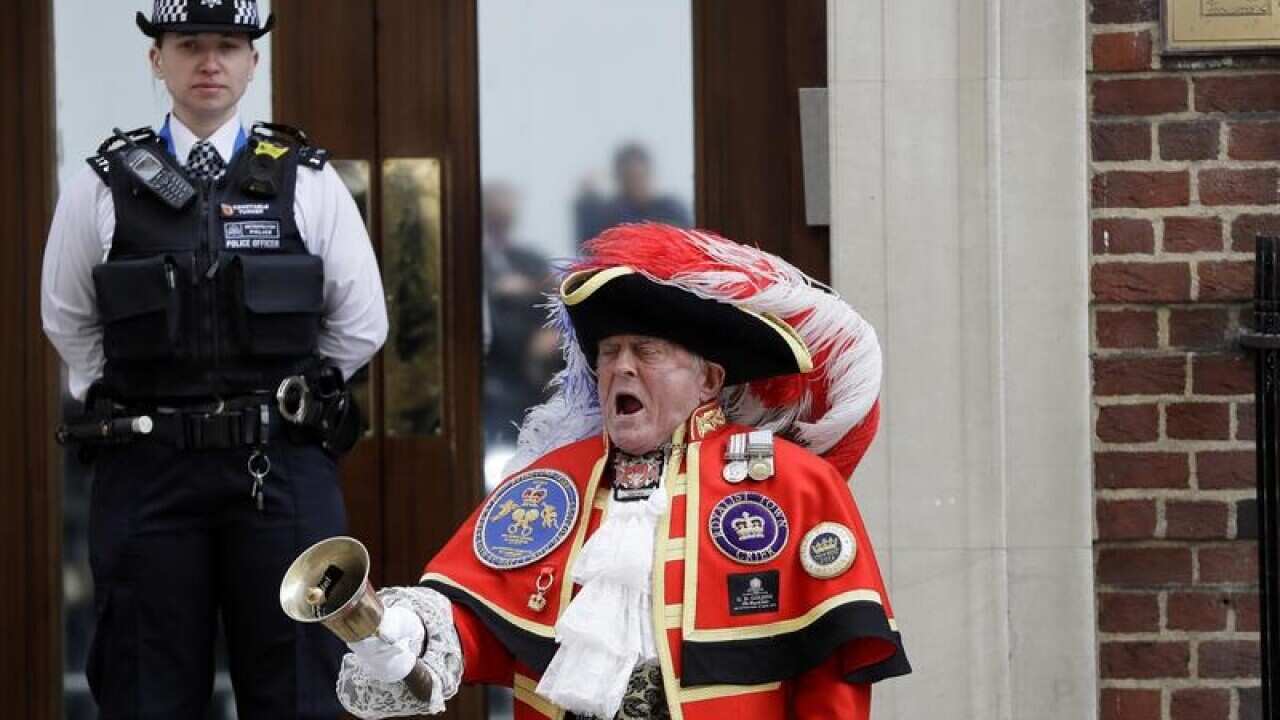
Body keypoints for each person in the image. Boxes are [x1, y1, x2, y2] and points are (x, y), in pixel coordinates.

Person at [335, 223, 908, 719]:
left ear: (708, 380)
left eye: (646, 351)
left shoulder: (793, 483)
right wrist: (407, 632)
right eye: (609, 353)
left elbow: (833, 665)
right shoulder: (549, 485)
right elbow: (480, 617)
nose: (621, 369)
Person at [40, 2, 388, 717]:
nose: (209, 62)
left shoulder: (307, 180)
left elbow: (361, 323)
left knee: (300, 690)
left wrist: (280, 396)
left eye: (228, 46)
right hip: (148, 469)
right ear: (156, 59)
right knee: (146, 688)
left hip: (280, 467)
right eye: (189, 44)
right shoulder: (101, 186)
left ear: (253, 63)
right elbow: (68, 318)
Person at [574, 143, 692, 249]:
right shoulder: (609, 214)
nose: (636, 184)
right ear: (619, 179)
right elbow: (588, 248)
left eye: (639, 177)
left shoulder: (670, 209)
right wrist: (586, 201)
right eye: (629, 178)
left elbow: (686, 243)